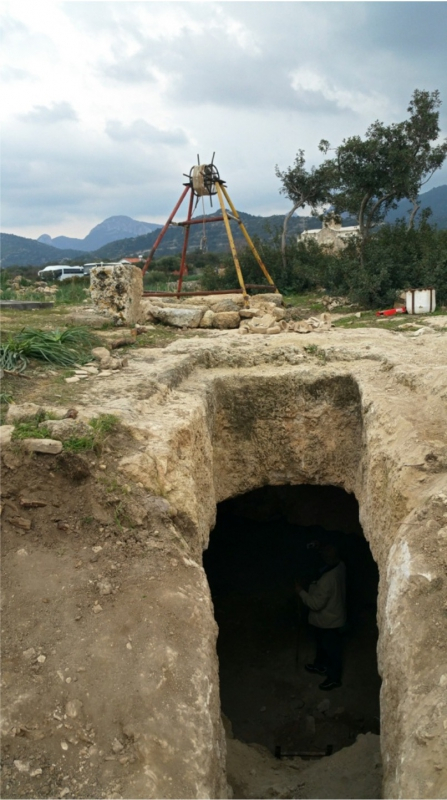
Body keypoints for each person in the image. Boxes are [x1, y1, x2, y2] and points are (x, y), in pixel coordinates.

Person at [295, 543, 346, 691]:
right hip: (330, 616)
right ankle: (320, 665)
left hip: (329, 621)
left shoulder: (327, 580)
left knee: (332, 650)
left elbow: (315, 604)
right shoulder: (340, 565)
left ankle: (334, 678)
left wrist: (300, 592)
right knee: (321, 644)